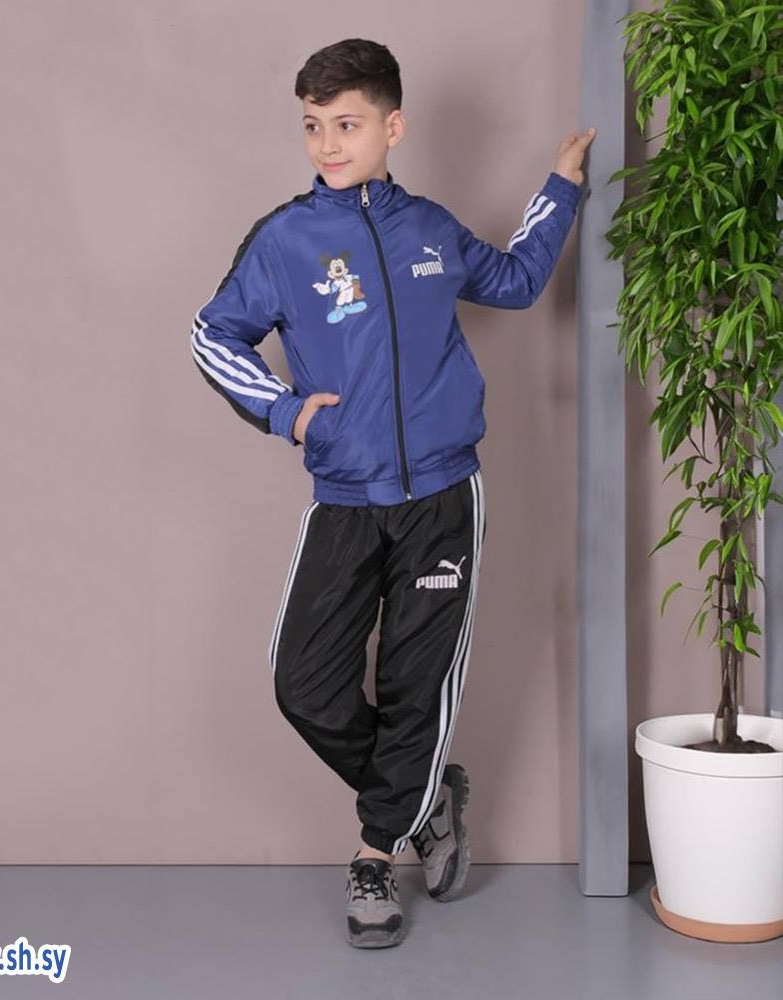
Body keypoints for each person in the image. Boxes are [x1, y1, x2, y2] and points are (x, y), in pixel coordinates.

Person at [190, 37, 594, 949]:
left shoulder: (431, 230)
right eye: (313, 126)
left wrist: (560, 187)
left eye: (347, 124)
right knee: (302, 682)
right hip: (346, 494)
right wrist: (287, 412)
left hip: (445, 498)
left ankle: (376, 855)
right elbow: (213, 335)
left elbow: (517, 280)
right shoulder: (285, 240)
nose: (327, 144)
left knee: (417, 686)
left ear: (392, 127)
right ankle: (427, 797)